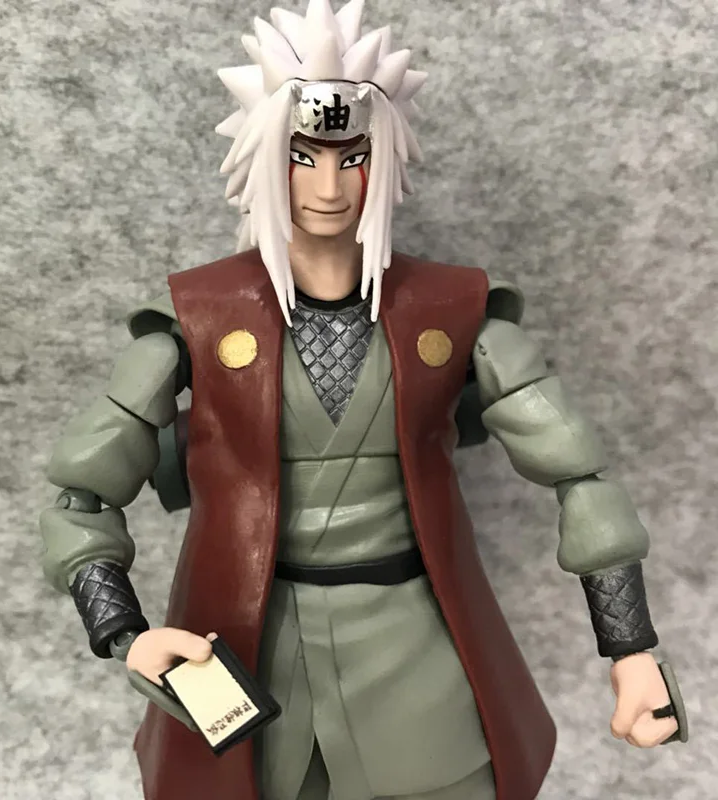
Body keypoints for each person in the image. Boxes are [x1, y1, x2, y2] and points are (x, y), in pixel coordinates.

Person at [38, 2, 687, 799]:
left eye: (353, 157)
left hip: (412, 646)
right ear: (262, 157)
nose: (328, 185)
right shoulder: (198, 321)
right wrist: (126, 633)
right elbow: (81, 498)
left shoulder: (453, 313)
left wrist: (632, 650)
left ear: (386, 160)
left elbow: (580, 478)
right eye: (301, 155)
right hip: (251, 644)